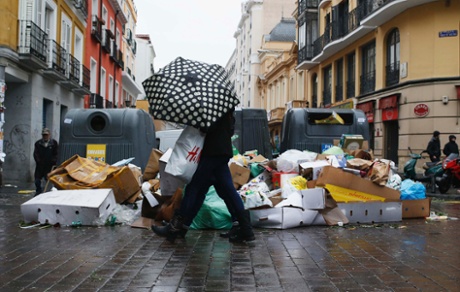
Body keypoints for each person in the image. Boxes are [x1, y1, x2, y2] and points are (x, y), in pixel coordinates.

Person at [152, 109, 254, 243]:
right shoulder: (226, 109)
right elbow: (228, 131)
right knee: (221, 191)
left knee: (193, 189)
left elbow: (208, 128)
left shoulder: (213, 108)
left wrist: (199, 121)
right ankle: (243, 228)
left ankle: (175, 228)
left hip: (212, 153)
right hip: (220, 153)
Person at [33, 128, 59, 195]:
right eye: (44, 135)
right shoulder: (38, 143)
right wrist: (38, 161)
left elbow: (56, 153)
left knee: (49, 180)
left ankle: (48, 192)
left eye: (46, 135)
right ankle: (38, 191)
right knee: (37, 180)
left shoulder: (54, 143)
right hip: (40, 165)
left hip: (49, 165)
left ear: (49, 135)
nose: (45, 136)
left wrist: (54, 161)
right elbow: (35, 153)